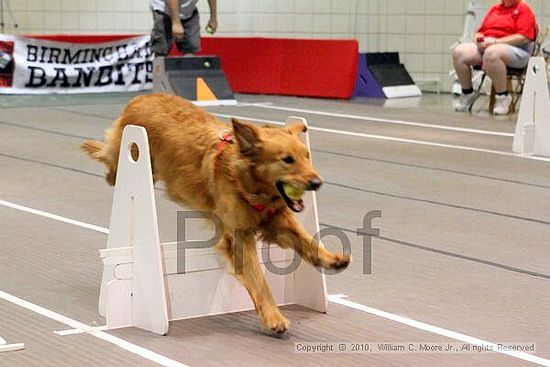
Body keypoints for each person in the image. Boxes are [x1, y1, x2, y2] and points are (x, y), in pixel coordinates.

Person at [452, 0, 537, 115]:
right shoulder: (495, 9)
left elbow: (523, 38)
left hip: (517, 51)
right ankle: (468, 93)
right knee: (459, 52)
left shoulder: (523, 9)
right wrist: (479, 41)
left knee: (492, 53)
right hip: (489, 46)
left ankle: (503, 97)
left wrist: (496, 42)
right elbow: (480, 32)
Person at [150, 0, 218, 56]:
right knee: (162, 48)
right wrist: (176, 22)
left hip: (189, 12)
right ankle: (159, 69)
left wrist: (213, 18)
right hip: (164, 10)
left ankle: (189, 70)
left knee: (191, 47)